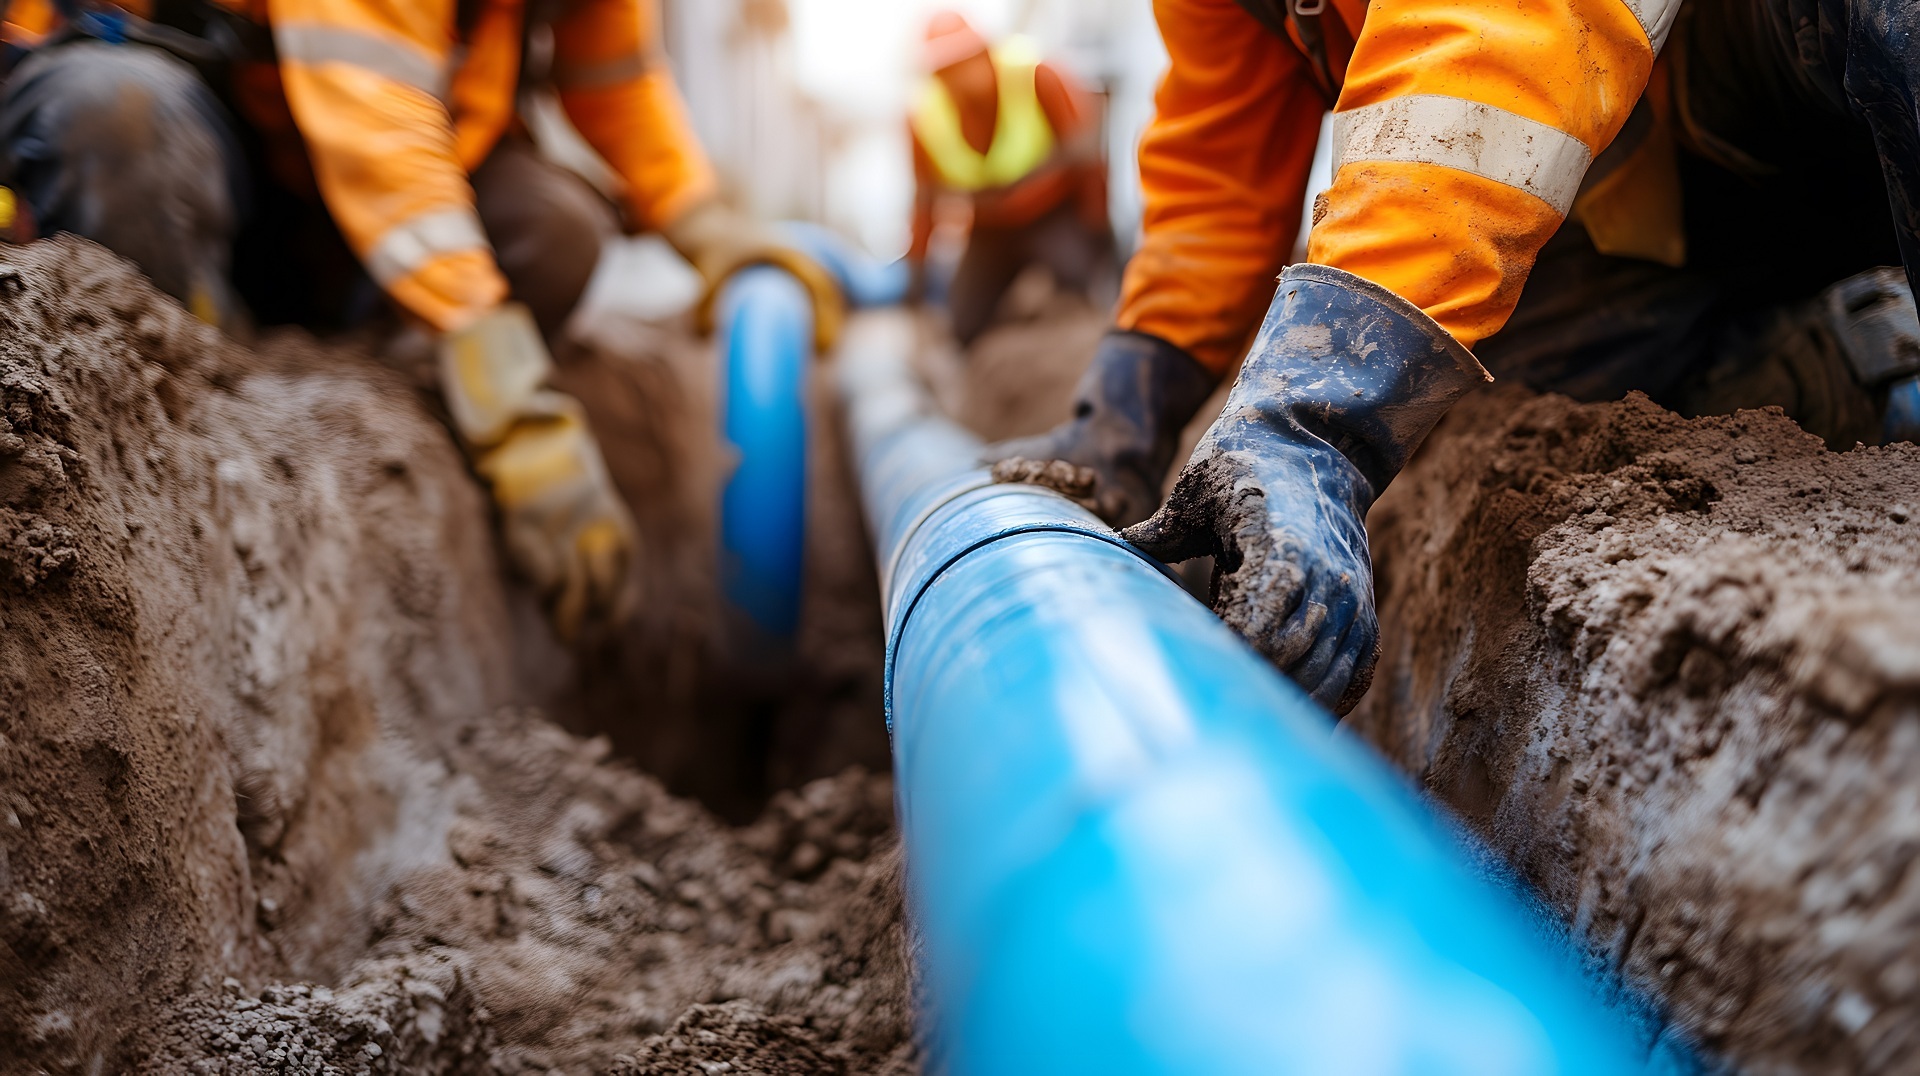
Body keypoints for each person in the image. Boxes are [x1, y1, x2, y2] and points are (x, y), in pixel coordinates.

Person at [991, 0, 1920, 713]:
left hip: (1785, 71)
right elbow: (1218, 178)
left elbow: (1494, 37)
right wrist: (1123, 417)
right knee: (1532, 403)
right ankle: (1843, 363)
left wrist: (1309, 419)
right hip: (1653, 167)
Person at [0, 0, 842, 640]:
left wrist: (705, 224)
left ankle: (383, 395)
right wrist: (515, 413)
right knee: (117, 118)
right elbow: (383, 140)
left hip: (341, 176)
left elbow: (615, 79)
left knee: (554, 230)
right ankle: (190, 422)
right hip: (207, 126)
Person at [906, 10, 1110, 347]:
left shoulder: (1038, 78)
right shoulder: (925, 119)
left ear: (986, 54)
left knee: (1075, 282)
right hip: (989, 228)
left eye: (966, 62)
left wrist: (1097, 233)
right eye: (947, 71)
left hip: (1053, 215)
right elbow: (924, 203)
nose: (961, 78)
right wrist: (915, 281)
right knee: (965, 327)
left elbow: (1086, 162)